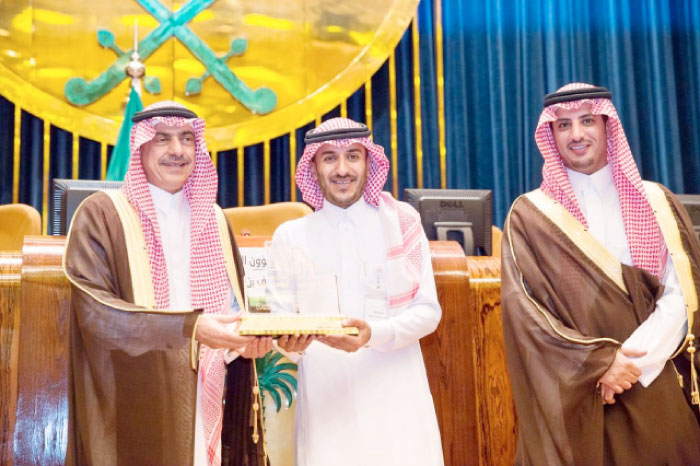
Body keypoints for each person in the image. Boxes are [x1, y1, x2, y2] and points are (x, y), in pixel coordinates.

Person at [63, 101, 272, 466]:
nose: (177, 150)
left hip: (206, 398)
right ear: (140, 146)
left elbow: (232, 309)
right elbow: (97, 316)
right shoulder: (101, 214)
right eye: (162, 139)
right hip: (133, 398)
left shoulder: (215, 220)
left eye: (187, 139)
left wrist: (247, 342)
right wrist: (192, 329)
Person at [501, 82, 700, 465]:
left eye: (587, 120)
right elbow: (526, 314)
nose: (576, 134)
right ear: (551, 135)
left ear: (608, 125)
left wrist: (628, 365)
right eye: (563, 125)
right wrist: (598, 364)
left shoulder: (658, 202)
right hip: (576, 395)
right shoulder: (530, 215)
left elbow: (682, 297)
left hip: (653, 383)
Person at [270, 117, 444, 466]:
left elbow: (428, 312)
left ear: (368, 161)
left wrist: (373, 334)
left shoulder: (402, 221)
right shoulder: (290, 236)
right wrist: (285, 343)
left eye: (353, 155)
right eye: (329, 158)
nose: (342, 169)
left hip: (397, 397)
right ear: (314, 167)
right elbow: (278, 321)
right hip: (327, 400)